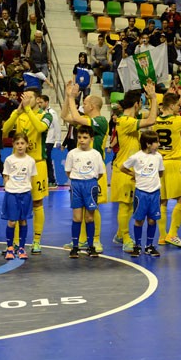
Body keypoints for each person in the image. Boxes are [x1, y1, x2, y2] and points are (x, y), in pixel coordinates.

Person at [2, 89, 53, 254]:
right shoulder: (18, 114)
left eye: (29, 97)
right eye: (23, 97)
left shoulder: (45, 115)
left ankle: (36, 241)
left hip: (37, 163)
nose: (24, 99)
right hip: (17, 164)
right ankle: (15, 242)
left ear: (38, 100)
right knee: (15, 203)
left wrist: (28, 109)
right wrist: (16, 113)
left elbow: (39, 129)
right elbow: (4, 131)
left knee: (37, 203)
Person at [61, 82, 108, 252]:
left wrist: (73, 97)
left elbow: (77, 117)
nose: (83, 105)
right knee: (81, 209)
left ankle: (95, 240)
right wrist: (68, 97)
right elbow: (65, 115)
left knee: (93, 208)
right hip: (82, 172)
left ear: (94, 106)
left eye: (85, 103)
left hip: (94, 171)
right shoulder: (87, 123)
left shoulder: (100, 120)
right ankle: (81, 241)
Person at [111, 84, 159, 252]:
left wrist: (153, 100)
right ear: (137, 103)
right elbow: (152, 120)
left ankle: (119, 234)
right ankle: (125, 238)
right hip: (124, 170)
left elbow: (154, 115)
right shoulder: (126, 121)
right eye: (142, 102)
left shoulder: (127, 120)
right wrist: (153, 97)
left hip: (129, 169)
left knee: (129, 204)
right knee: (125, 206)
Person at [153, 91, 181, 247]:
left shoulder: (155, 120)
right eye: (177, 105)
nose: (178, 107)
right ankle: (173, 233)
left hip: (159, 163)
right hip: (174, 162)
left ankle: (162, 236)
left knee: (162, 201)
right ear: (171, 105)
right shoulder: (177, 120)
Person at [121, 131, 164, 257]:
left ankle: (149, 246)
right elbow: (123, 167)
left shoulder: (158, 157)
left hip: (155, 193)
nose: (158, 144)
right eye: (156, 142)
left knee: (152, 220)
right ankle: (138, 245)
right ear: (148, 144)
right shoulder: (136, 157)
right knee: (139, 220)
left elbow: (160, 172)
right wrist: (133, 174)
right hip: (141, 193)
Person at [65, 125, 106, 258]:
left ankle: (90, 246)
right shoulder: (72, 153)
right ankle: (75, 247)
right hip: (76, 185)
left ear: (91, 139)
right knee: (77, 217)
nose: (82, 140)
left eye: (85, 137)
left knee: (89, 217)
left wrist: (90, 181)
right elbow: (68, 171)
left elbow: (100, 173)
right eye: (79, 137)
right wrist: (78, 180)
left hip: (91, 186)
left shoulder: (96, 154)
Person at [1, 133, 37, 260]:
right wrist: (9, 188)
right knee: (11, 221)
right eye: (17, 143)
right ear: (13, 145)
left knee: (23, 220)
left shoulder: (31, 161)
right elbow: (6, 176)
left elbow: (31, 177)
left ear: (27, 144)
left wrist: (25, 188)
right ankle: (10, 248)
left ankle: (21, 248)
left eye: (22, 143)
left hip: (25, 193)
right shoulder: (9, 160)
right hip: (12, 193)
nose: (20, 146)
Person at [38, 95, 60, 188]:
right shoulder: (40, 113)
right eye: (38, 102)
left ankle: (52, 180)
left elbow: (57, 126)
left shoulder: (52, 113)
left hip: (49, 140)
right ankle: (45, 179)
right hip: (42, 140)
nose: (39, 104)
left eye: (41, 102)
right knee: (44, 160)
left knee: (47, 160)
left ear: (46, 102)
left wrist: (58, 140)